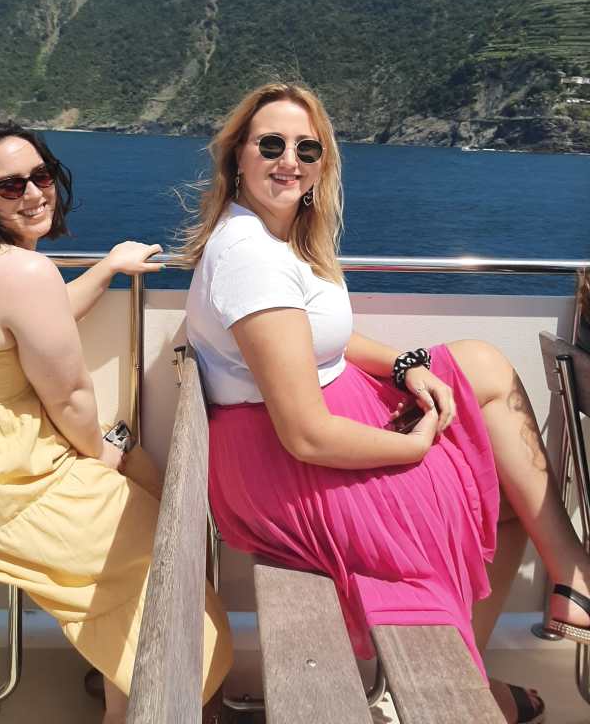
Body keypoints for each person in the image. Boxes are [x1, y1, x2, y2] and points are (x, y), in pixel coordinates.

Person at [183, 81, 590, 724]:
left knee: (480, 364)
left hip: (298, 432)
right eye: (271, 144)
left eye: (306, 148)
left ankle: (565, 579)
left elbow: (325, 343)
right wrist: (413, 446)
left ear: (322, 165)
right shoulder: (250, 259)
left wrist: (406, 368)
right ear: (238, 157)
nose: (290, 159)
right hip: (288, 463)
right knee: (490, 486)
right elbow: (307, 436)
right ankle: (462, 680)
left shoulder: (277, 239)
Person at [0, 122, 231, 724]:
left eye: (40, 176)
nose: (33, 193)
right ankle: (147, 704)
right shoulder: (22, 273)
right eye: (9, 185)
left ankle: (127, 689)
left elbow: (39, 324)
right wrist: (99, 450)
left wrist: (105, 269)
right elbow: (72, 394)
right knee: (157, 542)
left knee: (147, 492)